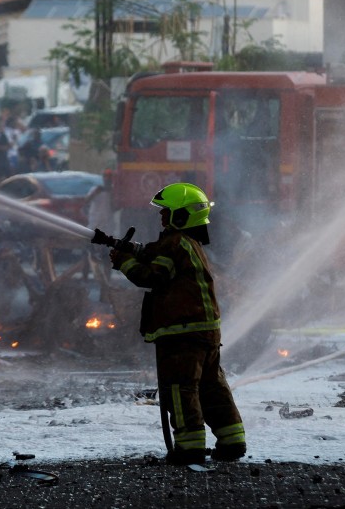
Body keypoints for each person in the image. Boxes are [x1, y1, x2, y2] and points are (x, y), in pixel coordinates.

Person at [100, 182, 246, 465]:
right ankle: (232, 441)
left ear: (182, 215)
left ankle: (189, 448)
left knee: (180, 389)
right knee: (212, 387)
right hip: (205, 331)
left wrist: (124, 262)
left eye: (167, 212)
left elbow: (152, 276)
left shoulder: (175, 242)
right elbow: (153, 252)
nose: (161, 217)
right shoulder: (189, 244)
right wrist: (128, 247)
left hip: (181, 332)